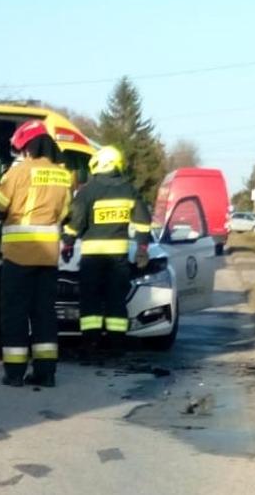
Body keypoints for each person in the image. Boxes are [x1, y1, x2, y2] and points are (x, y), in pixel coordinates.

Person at [0, 120, 74, 387]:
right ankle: (46, 373)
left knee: (15, 314)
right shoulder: (63, 175)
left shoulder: (18, 172)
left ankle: (14, 373)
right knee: (44, 315)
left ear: (27, 147)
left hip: (18, 255)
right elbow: (65, 214)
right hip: (48, 257)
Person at [62, 145, 153, 359]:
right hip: (118, 257)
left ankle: (90, 344)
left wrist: (67, 243)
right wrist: (142, 249)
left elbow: (76, 222)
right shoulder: (129, 190)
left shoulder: (88, 191)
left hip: (92, 256)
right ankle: (117, 345)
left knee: (90, 300)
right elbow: (143, 222)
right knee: (116, 299)